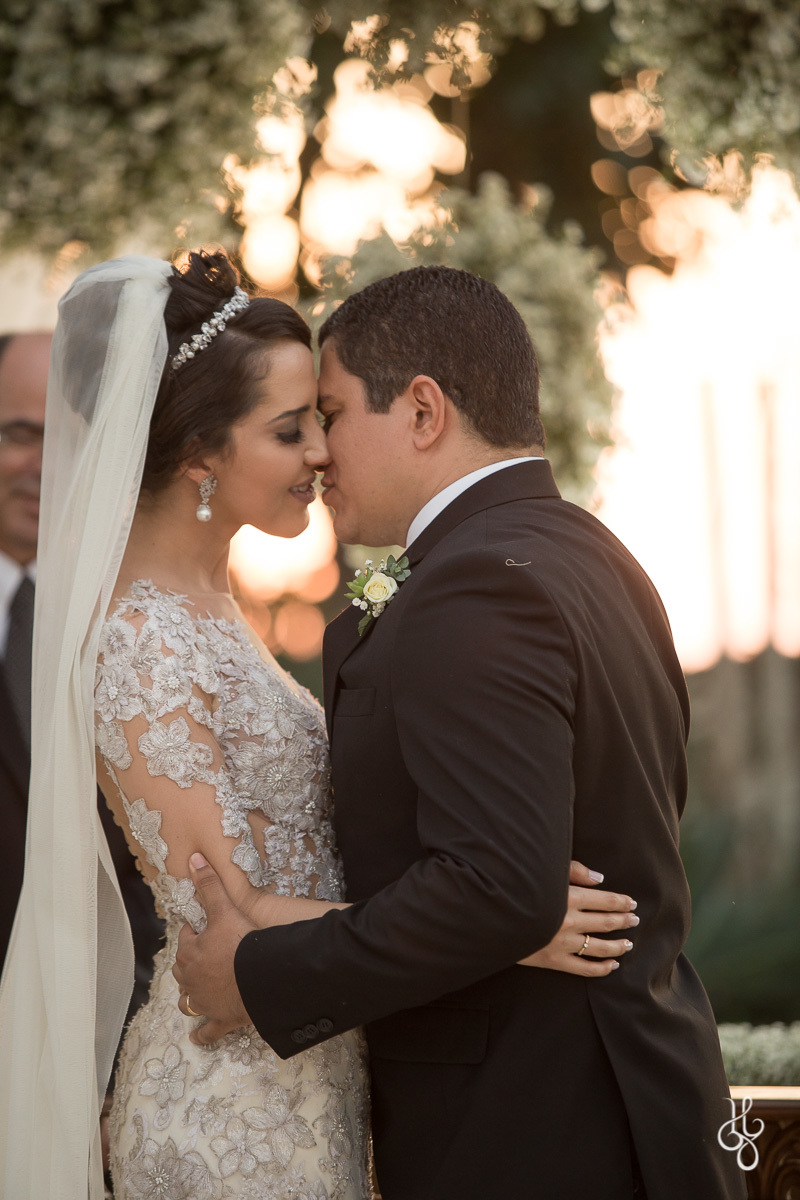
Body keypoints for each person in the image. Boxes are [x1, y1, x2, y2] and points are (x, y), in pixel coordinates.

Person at [0, 252, 632, 1200]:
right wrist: (506, 927)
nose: (322, 455)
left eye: (324, 424)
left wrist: (481, 912)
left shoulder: (220, 614)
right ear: (200, 454)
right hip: (228, 1100)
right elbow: (224, 908)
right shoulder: (137, 639)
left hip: (316, 1061)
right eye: (292, 429)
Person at [174, 266, 747, 1200]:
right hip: (631, 1099)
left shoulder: (474, 585)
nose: (319, 452)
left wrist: (260, 977)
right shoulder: (595, 554)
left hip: (534, 1133)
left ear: (423, 411)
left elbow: (498, 887)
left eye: (332, 413)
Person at [0, 331, 164, 1025]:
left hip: (99, 1023)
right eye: (20, 434)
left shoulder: (136, 622)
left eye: (70, 440)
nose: (46, 465)